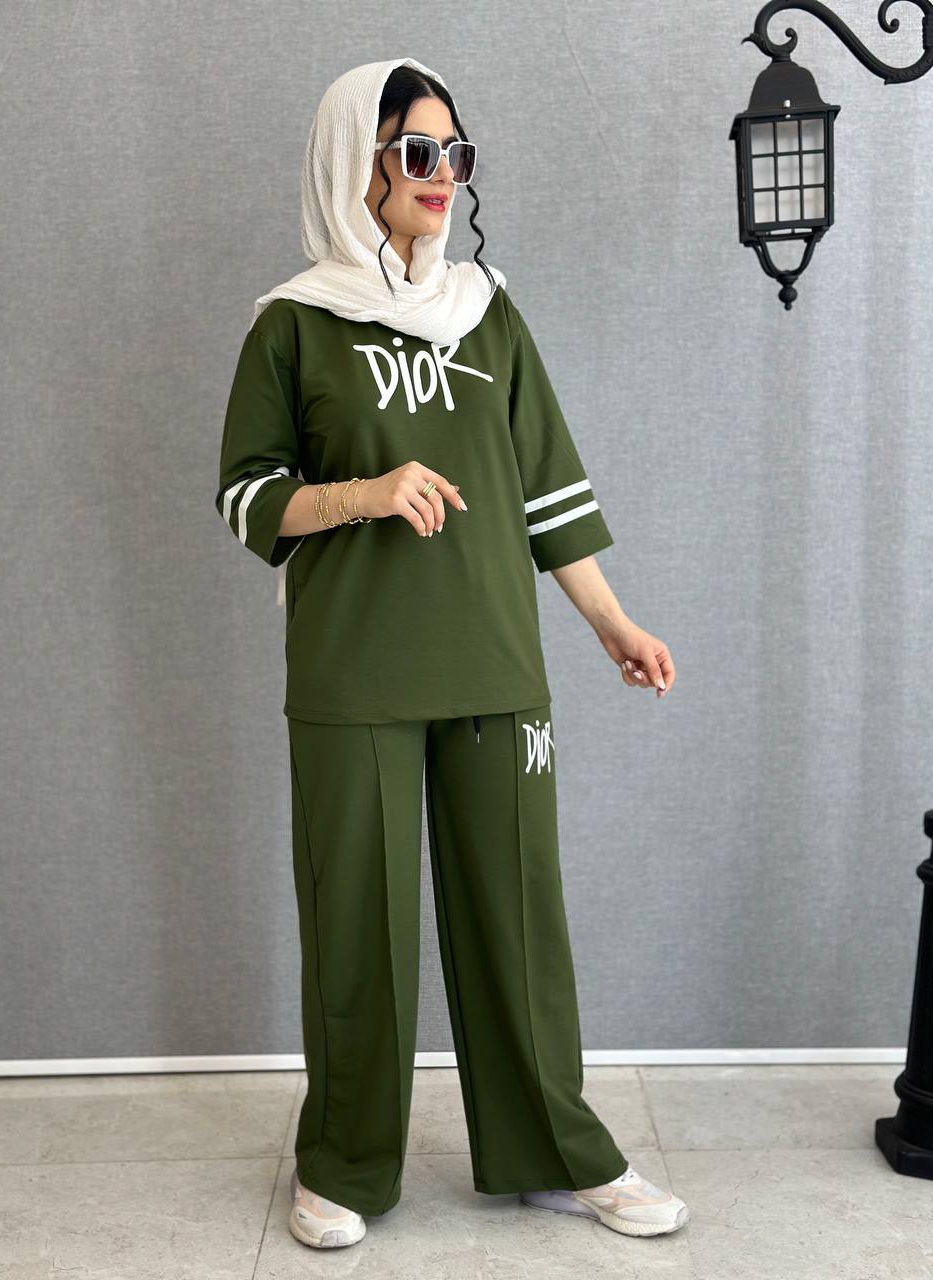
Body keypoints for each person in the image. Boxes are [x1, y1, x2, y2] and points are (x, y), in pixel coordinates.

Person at [215, 57, 682, 1251]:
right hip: (353, 673)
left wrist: (613, 623)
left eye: (455, 154)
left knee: (520, 921)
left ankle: (557, 1152)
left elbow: (548, 490)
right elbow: (247, 496)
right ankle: (344, 1160)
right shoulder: (293, 322)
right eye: (417, 152)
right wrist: (363, 492)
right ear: (355, 162)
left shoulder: (488, 312)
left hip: (494, 662)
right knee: (357, 927)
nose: (442, 176)